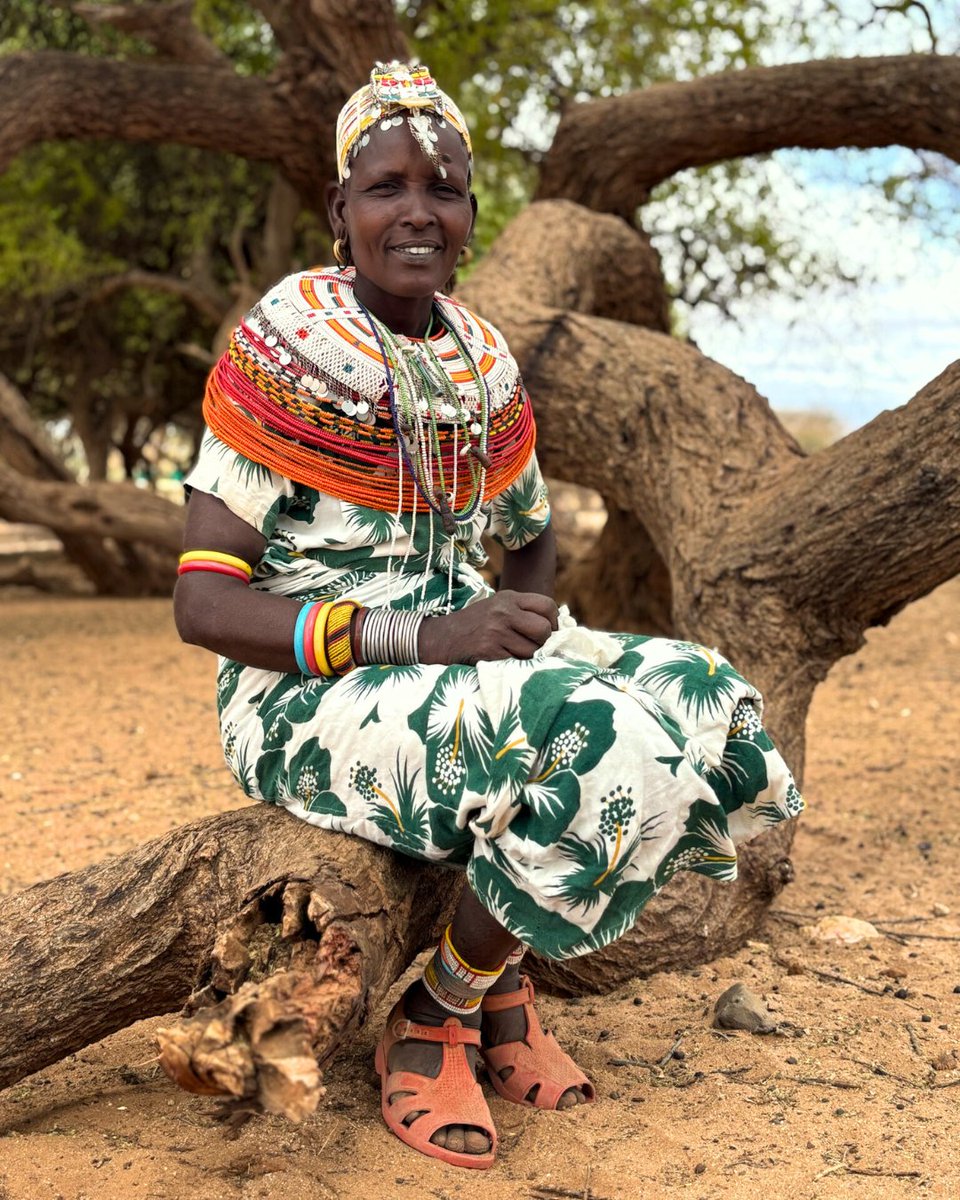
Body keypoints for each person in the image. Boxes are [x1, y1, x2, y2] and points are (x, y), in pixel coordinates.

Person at [175, 61, 802, 1171]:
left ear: (469, 214)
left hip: (452, 661)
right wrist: (422, 638)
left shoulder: (478, 356)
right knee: (594, 740)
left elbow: (530, 529)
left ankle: (504, 968)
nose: (417, 210)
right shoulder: (287, 348)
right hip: (304, 698)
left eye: (444, 187)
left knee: (711, 706)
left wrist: (522, 627)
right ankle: (444, 1007)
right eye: (386, 186)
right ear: (339, 210)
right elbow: (204, 602)